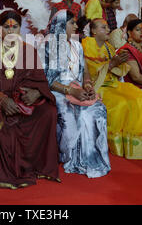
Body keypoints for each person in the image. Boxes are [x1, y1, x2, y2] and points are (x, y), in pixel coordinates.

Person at [0, 10, 60, 189]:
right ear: (0, 29)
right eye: (6, 27)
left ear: (20, 28)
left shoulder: (29, 51)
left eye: (15, 27)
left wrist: (37, 93)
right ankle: (8, 170)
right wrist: (0, 98)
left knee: (48, 112)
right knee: (4, 125)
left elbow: (40, 81)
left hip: (24, 99)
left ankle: (37, 165)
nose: (11, 31)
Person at [38, 10, 111, 178]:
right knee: (75, 113)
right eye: (72, 23)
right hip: (56, 90)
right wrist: (71, 91)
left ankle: (92, 156)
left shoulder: (77, 45)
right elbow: (46, 80)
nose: (76, 26)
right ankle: (71, 156)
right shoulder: (48, 45)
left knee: (97, 109)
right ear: (62, 26)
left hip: (76, 88)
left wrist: (87, 85)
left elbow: (85, 71)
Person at [82, 19, 142, 159]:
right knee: (122, 103)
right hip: (98, 86)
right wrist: (111, 64)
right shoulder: (86, 45)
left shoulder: (109, 47)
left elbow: (118, 70)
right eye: (104, 27)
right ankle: (120, 147)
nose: (108, 30)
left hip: (114, 84)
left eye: (108, 27)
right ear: (94, 31)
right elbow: (89, 72)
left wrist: (120, 63)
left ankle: (141, 148)